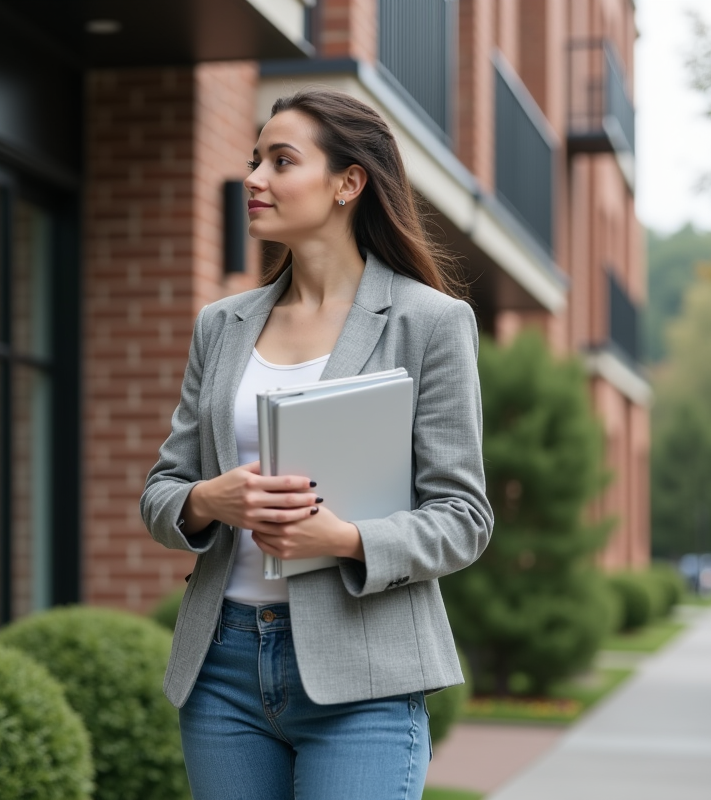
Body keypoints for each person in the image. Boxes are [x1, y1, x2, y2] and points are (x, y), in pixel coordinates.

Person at [139, 88, 493, 800]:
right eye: (253, 161)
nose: (255, 179)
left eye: (281, 160)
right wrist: (211, 499)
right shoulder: (222, 324)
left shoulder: (430, 322)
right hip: (224, 669)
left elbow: (464, 518)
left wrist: (346, 538)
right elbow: (162, 491)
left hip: (367, 674)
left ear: (347, 182)